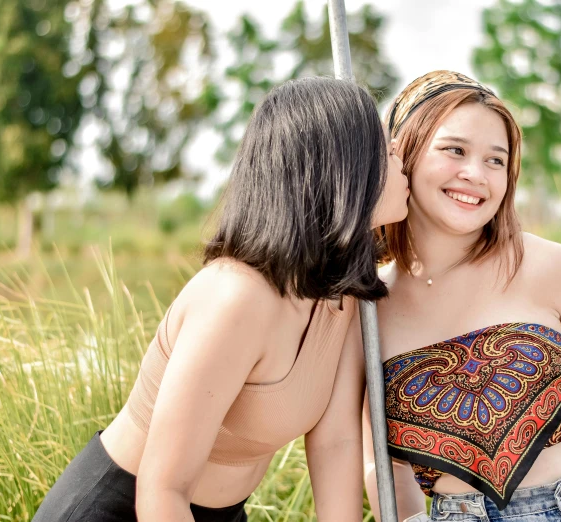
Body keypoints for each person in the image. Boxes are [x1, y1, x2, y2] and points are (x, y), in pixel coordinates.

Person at [33, 76, 409, 522]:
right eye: (386, 151)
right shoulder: (236, 298)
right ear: (346, 170)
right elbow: (163, 488)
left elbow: (336, 443)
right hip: (128, 508)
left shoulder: (344, 298)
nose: (400, 162)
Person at [363, 71, 561, 522]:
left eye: (496, 160)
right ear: (403, 155)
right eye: (455, 150)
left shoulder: (540, 262)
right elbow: (381, 461)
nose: (475, 174)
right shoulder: (368, 306)